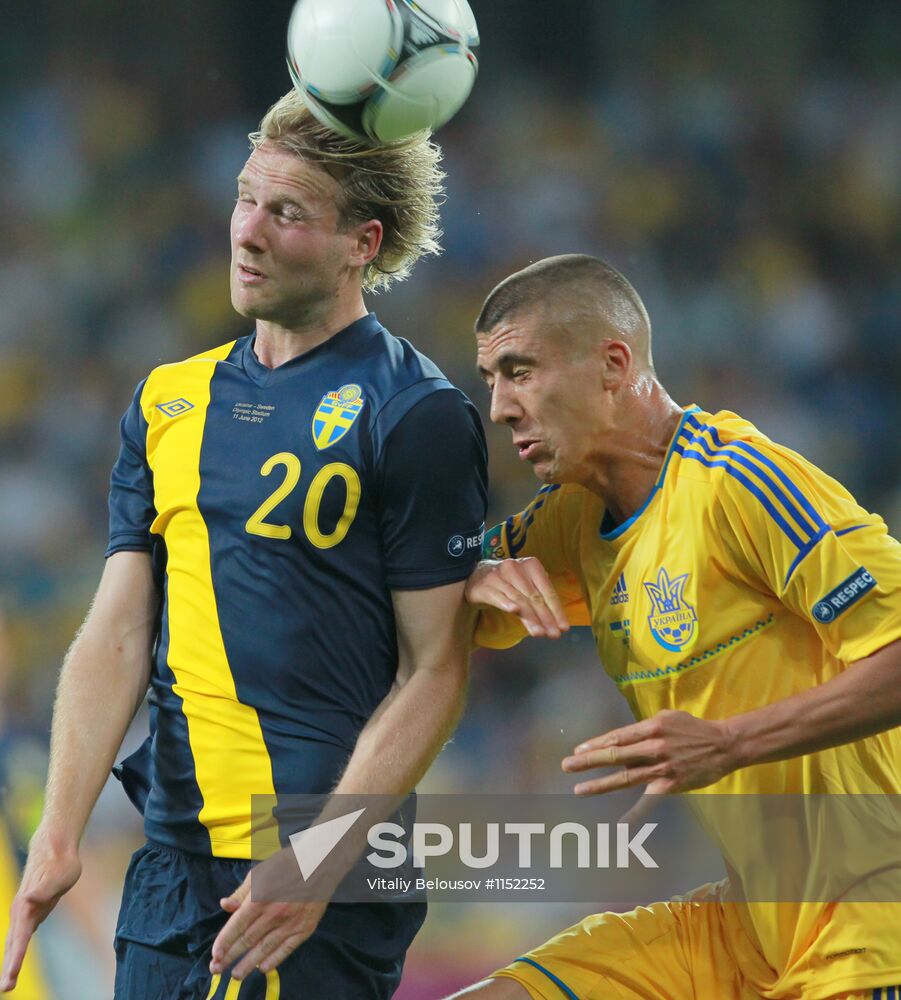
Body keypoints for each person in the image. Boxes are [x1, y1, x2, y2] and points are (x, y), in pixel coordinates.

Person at [0, 89, 488, 1000]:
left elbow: (437, 670)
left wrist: (320, 857)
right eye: (244, 199)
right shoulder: (166, 400)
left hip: (316, 874)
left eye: (288, 212)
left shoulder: (415, 415)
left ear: (362, 245)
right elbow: (116, 632)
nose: (247, 232)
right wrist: (60, 830)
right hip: (170, 865)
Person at [450, 254, 901, 999]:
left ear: (612, 365)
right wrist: (464, 576)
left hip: (871, 929)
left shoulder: (740, 483)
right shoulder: (570, 518)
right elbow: (424, 611)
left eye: (519, 371)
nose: (499, 407)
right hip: (747, 931)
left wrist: (730, 741)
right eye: (490, 379)